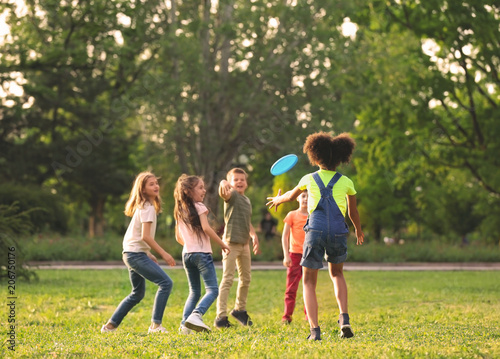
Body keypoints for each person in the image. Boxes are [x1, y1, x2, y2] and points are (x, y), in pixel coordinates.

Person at [267, 132, 364, 341]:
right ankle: (344, 319)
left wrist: (277, 199)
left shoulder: (308, 178)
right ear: (340, 158)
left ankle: (315, 331)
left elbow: (289, 197)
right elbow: (352, 212)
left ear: (315, 156)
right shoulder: (346, 181)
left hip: (315, 231)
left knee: (309, 281)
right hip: (339, 231)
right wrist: (358, 229)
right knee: (337, 274)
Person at [101, 171, 176, 334]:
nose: (156, 186)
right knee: (166, 283)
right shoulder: (147, 208)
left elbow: (134, 236)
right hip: (135, 255)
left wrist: (147, 253)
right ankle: (155, 326)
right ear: (142, 190)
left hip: (131, 253)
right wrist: (164, 253)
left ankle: (109, 326)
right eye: (151, 184)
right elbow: (145, 236)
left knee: (137, 294)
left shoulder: (144, 207)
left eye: (156, 183)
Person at [174, 174, 230, 334]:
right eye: (200, 187)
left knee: (194, 291)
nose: (204, 190)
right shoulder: (199, 207)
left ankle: (184, 326)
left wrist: (191, 246)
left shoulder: (180, 210)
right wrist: (222, 244)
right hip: (201, 254)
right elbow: (206, 228)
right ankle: (196, 315)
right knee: (212, 289)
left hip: (187, 255)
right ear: (188, 191)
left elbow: (178, 237)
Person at [214, 168, 260, 328]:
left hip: (244, 244)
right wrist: (223, 183)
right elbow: (223, 193)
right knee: (227, 279)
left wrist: (253, 235)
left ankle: (239, 310)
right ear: (231, 184)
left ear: (246, 183)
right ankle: (220, 317)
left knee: (246, 278)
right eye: (236, 180)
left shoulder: (246, 200)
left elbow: (247, 221)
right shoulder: (231, 195)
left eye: (242, 179)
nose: (239, 182)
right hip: (230, 243)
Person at [281, 190, 309, 324]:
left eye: (309, 197)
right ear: (298, 198)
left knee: (308, 287)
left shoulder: (314, 216)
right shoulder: (292, 215)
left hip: (310, 255)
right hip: (294, 256)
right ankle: (287, 316)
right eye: (303, 196)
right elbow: (284, 236)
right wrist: (286, 256)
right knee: (291, 288)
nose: (306, 199)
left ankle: (309, 315)